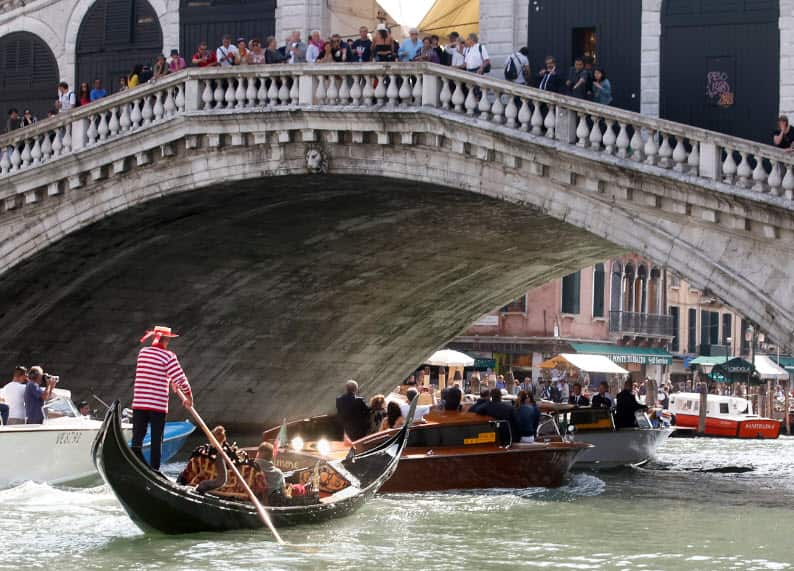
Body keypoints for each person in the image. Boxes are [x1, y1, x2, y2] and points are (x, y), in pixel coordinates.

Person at [131, 325, 193, 472]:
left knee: (137, 438)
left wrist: (169, 378)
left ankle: (134, 464)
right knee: (156, 440)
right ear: (167, 340)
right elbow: (181, 379)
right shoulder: (168, 356)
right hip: (157, 406)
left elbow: (154, 371)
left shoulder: (142, 353)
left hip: (139, 403)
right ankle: (154, 470)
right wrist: (189, 397)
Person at [195, 425, 229, 493]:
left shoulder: (219, 448)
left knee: (202, 484)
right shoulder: (221, 447)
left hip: (220, 480)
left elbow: (211, 439)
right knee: (203, 485)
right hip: (221, 480)